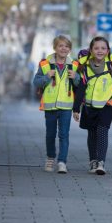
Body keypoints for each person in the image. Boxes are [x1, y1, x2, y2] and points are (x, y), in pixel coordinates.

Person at [33, 35, 80, 174]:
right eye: (60, 46)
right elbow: (36, 82)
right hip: (50, 106)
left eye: (66, 46)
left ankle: (62, 162)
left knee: (64, 135)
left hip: (66, 106)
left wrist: (76, 77)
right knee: (50, 134)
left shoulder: (74, 65)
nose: (63, 48)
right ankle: (50, 158)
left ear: (70, 49)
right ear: (55, 48)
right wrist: (47, 77)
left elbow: (80, 85)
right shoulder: (44, 64)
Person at [72, 36, 112, 175]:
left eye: (103, 48)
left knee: (102, 133)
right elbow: (81, 89)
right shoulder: (85, 68)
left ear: (108, 51)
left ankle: (101, 162)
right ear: (91, 50)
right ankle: (93, 161)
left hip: (106, 106)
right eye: (96, 48)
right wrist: (76, 108)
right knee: (92, 135)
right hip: (89, 107)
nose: (100, 51)